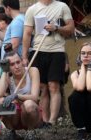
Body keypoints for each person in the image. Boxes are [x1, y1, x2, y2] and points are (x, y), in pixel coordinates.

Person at [22, 0, 74, 128]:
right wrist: (24, 56)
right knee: (43, 88)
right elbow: (27, 34)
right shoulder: (32, 9)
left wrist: (56, 28)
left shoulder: (62, 6)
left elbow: (71, 28)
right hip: (38, 51)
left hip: (57, 51)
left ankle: (52, 121)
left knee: (54, 86)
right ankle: (43, 121)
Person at [0, 52, 41, 137]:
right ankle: (11, 132)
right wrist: (4, 72)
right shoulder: (8, 76)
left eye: (18, 62)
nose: (17, 66)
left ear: (21, 61)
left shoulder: (32, 71)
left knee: (28, 104)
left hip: (30, 113)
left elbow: (35, 97)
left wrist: (17, 96)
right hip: (15, 115)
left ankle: (30, 133)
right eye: (12, 64)